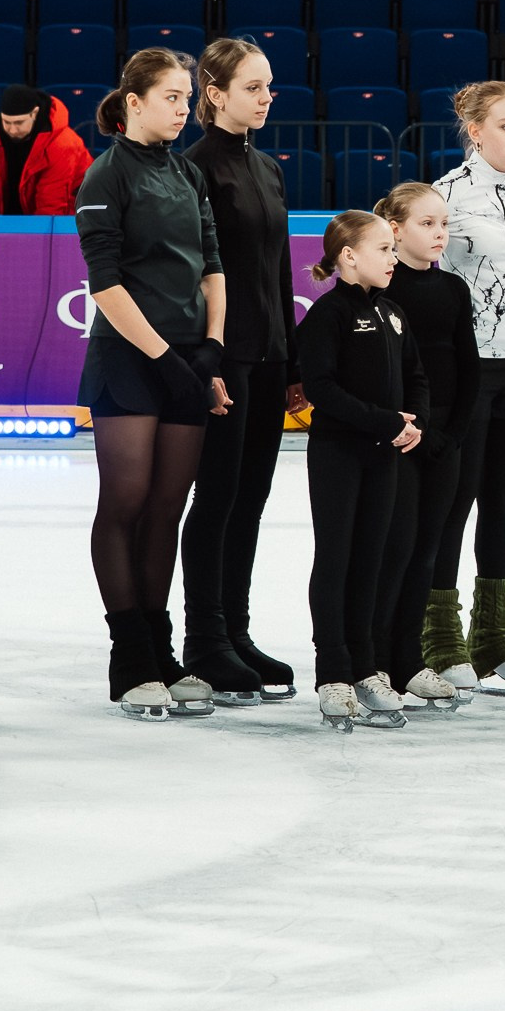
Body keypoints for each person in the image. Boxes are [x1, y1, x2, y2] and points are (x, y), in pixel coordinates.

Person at [74, 50, 228, 721]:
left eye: (185, 97)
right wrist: (164, 355)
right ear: (132, 101)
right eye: (169, 96)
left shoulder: (189, 171)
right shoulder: (106, 174)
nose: (182, 107)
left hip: (189, 359)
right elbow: (104, 282)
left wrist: (211, 349)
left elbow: (212, 265)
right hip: (130, 359)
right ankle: (128, 651)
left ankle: (160, 648)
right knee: (127, 500)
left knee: (168, 505)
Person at [178, 38, 300, 703]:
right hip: (226, 358)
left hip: (270, 354)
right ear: (215, 91)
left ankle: (236, 631)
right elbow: (197, 274)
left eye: (270, 86)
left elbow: (278, 268)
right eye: (254, 87)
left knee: (249, 501)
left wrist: (294, 358)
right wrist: (210, 359)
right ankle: (205, 641)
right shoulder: (196, 169)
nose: (266, 97)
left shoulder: (269, 168)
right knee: (218, 498)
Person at [428, 81, 505, 698]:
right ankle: (440, 635)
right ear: (475, 131)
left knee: (501, 501)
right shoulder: (447, 194)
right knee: (457, 500)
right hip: (466, 369)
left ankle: (494, 635)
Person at [297, 209, 429, 731]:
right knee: (337, 557)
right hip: (339, 453)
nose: (393, 259)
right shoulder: (326, 315)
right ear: (348, 256)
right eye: (383, 249)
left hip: (385, 454)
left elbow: (416, 376)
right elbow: (322, 389)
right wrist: (384, 420)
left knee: (373, 558)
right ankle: (332, 668)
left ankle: (365, 664)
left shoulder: (394, 312)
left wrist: (412, 422)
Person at [368, 183, 478, 711]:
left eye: (444, 225)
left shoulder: (454, 290)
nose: (440, 234)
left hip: (443, 443)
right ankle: (378, 660)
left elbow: (469, 369)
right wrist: (407, 429)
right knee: (396, 550)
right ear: (395, 229)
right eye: (427, 224)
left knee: (427, 554)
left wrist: (451, 435)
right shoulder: (383, 295)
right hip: (400, 441)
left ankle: (409, 660)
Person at [0, 82, 92, 217]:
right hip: (26, 214)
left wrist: (34, 237)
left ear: (34, 113)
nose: (12, 130)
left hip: (75, 220)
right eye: (7, 122)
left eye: (19, 123)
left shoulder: (62, 144)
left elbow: (51, 204)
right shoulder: (1, 134)